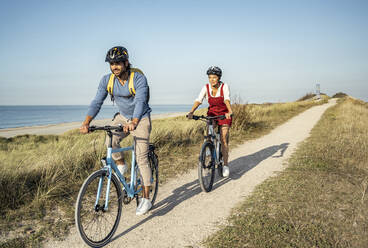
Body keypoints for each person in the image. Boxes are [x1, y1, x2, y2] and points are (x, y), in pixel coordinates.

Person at [80, 46, 152, 215]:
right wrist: (86, 122)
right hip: (122, 117)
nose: (115, 67)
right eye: (112, 64)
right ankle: (121, 164)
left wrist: (134, 122)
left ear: (126, 63)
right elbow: (97, 101)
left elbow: (141, 101)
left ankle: (146, 199)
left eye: (118, 63)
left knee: (141, 158)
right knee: (110, 141)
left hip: (140, 118)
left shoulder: (138, 78)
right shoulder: (107, 80)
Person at [187, 66, 233, 177]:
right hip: (212, 114)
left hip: (224, 114)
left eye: (214, 77)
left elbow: (226, 99)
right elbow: (199, 100)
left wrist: (230, 111)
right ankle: (209, 147)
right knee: (208, 132)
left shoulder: (224, 86)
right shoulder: (206, 87)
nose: (212, 80)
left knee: (223, 138)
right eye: (210, 77)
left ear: (219, 78)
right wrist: (191, 111)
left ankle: (225, 165)